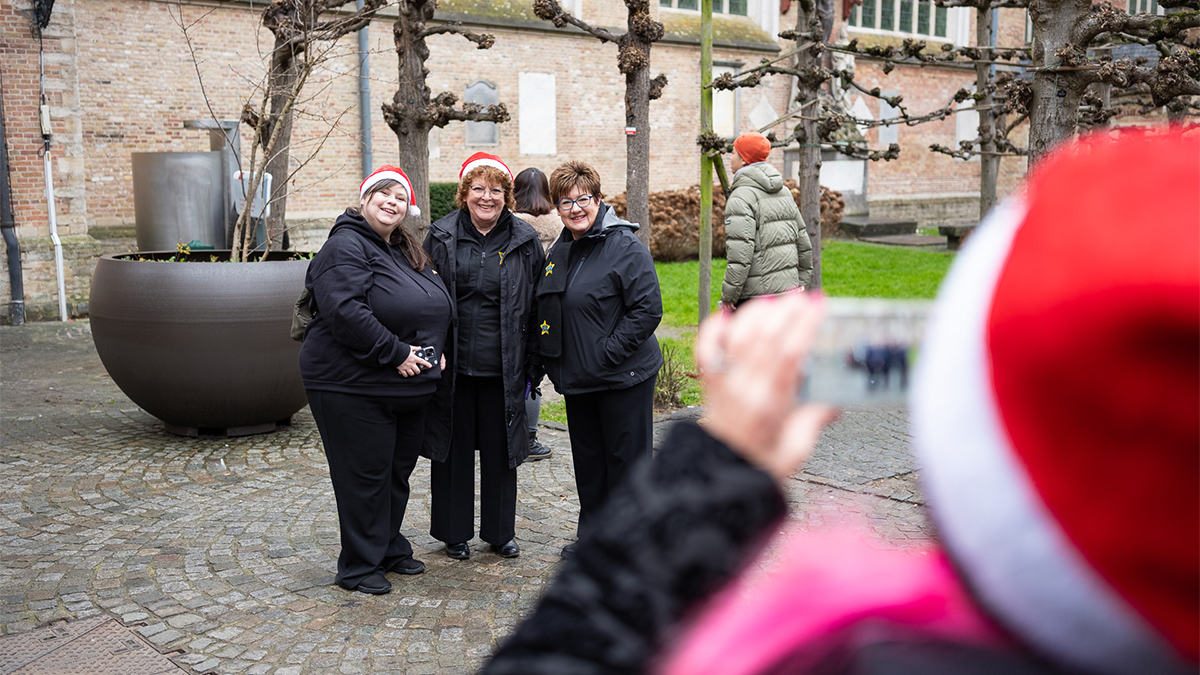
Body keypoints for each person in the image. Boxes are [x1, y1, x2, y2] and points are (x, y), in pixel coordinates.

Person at [482, 129, 1199, 673]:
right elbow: (794, 243)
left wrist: (715, 451)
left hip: (680, 354)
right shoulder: (783, 197)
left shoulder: (830, 648)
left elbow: (563, 652)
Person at [299, 165, 451, 596]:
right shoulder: (344, 247)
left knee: (395, 473)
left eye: (399, 197)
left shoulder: (402, 248)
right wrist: (396, 352)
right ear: (363, 199)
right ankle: (358, 566)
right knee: (364, 476)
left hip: (403, 387)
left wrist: (433, 347)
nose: (391, 202)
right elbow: (345, 311)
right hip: (350, 384)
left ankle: (386, 546)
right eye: (382, 194)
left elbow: (431, 304)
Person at [422, 152, 546, 561]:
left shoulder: (525, 241)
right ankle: (453, 532)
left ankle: (499, 531)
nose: (487, 197)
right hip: (453, 365)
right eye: (478, 188)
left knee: (500, 451)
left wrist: (533, 362)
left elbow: (537, 304)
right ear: (464, 193)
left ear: (507, 195)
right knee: (453, 451)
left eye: (496, 189)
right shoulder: (440, 236)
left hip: (503, 365)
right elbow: (424, 297)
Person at [537, 160, 663, 545]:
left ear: (599, 199)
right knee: (589, 466)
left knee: (626, 465)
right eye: (565, 202)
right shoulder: (562, 249)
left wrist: (608, 352)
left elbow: (648, 309)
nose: (575, 209)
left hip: (622, 377)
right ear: (556, 208)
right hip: (579, 379)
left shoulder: (624, 246)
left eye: (583, 199)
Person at [721, 131, 813, 309]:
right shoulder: (784, 191)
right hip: (788, 291)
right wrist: (801, 281)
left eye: (733, 153)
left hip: (756, 299)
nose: (730, 158)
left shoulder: (741, 196)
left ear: (744, 160)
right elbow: (802, 240)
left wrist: (730, 295)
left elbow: (740, 253)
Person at [512, 167, 562, 461]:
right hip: (544, 311)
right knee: (535, 377)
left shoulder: (511, 226)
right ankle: (530, 437)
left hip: (515, 309)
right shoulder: (559, 226)